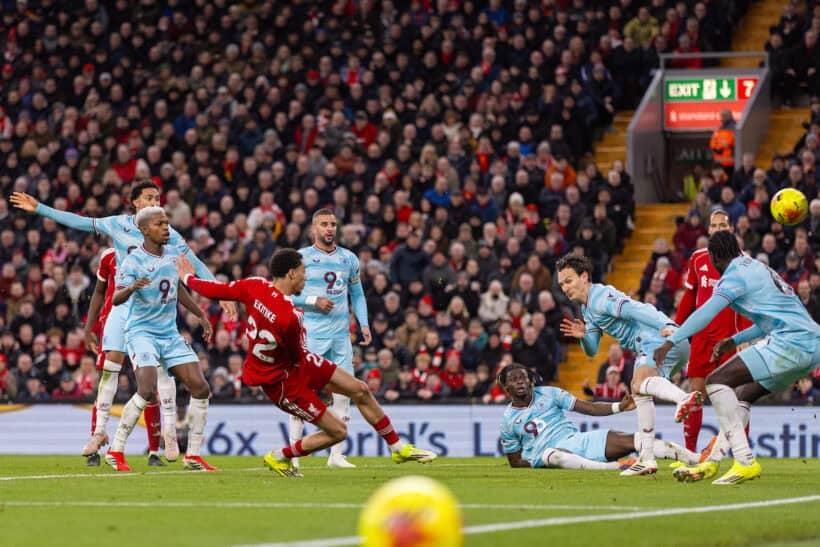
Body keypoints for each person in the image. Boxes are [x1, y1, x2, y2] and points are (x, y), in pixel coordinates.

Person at [10, 184, 236, 461]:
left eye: (157, 198)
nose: (155, 201)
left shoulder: (170, 234)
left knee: (163, 371)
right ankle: (100, 431)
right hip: (124, 306)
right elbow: (78, 221)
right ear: (135, 203)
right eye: (149, 197)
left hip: (155, 311)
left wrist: (221, 292)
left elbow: (196, 264)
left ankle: (168, 433)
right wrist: (40, 209)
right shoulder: (117, 224)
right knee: (111, 365)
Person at [177, 249, 437, 477]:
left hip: (295, 361)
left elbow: (214, 289)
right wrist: (321, 390)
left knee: (360, 389)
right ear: (291, 274)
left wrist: (187, 277)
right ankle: (280, 455)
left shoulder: (254, 285)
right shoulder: (289, 317)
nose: (306, 277)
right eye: (303, 272)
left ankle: (397, 448)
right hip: (281, 379)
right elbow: (296, 358)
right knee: (338, 431)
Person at [654, 231, 820, 484]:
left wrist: (671, 341)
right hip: (811, 343)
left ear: (714, 257)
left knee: (716, 380)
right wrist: (735, 340)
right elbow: (768, 321)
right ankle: (714, 460)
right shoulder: (757, 267)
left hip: (790, 342)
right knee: (745, 395)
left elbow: (705, 313)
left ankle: (744, 461)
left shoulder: (733, 276)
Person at [556, 255, 701, 476]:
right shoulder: (587, 310)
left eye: (568, 281)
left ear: (584, 276)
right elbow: (592, 350)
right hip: (668, 343)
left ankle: (683, 398)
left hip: (657, 336)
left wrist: (665, 326)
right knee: (639, 391)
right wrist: (583, 336)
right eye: (561, 284)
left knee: (639, 382)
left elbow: (635, 309)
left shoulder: (601, 296)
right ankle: (648, 457)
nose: (565, 288)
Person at [106, 207, 216, 472]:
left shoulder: (172, 257)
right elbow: (116, 298)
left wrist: (200, 314)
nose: (166, 228)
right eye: (159, 224)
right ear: (145, 229)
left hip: (169, 333)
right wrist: (132, 287)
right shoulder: (133, 262)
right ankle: (116, 450)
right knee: (146, 389)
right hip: (142, 332)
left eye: (167, 223)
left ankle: (193, 455)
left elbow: (177, 289)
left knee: (200, 388)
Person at [288, 209, 372, 469]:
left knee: (345, 392)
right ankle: (294, 455)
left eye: (333, 224)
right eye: (324, 224)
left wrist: (364, 322)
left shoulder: (349, 259)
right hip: (312, 335)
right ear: (314, 229)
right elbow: (287, 294)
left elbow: (356, 294)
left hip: (340, 337)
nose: (329, 229)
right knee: (301, 392)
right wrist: (313, 301)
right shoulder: (301, 258)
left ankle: (336, 456)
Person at [499, 364, 699, 470]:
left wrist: (619, 407)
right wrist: (536, 463)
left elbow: (589, 408)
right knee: (554, 455)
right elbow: (515, 461)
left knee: (634, 439)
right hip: (547, 455)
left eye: (523, 377)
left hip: (575, 441)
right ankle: (614, 468)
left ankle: (696, 459)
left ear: (530, 380)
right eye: (514, 379)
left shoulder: (550, 393)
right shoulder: (508, 420)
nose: (520, 382)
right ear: (506, 387)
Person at [674, 210, 750, 452]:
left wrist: (744, 338)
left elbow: (749, 304)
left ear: (731, 230)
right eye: (714, 225)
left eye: (723, 226)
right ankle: (690, 453)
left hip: (730, 339)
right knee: (695, 395)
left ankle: (740, 454)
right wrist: (675, 328)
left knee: (735, 399)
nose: (718, 229)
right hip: (702, 339)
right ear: (708, 230)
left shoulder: (744, 262)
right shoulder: (697, 259)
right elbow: (689, 296)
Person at [82, 248, 162, 467]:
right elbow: (99, 292)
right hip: (113, 325)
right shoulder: (110, 255)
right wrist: (90, 326)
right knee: (106, 382)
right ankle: (95, 445)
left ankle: (154, 451)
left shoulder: (156, 254)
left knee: (150, 386)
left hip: (143, 325)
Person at [709, 110, 736, 178]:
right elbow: (713, 141)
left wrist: (719, 146)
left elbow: (729, 142)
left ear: (730, 116)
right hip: (719, 162)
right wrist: (716, 147)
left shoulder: (734, 128)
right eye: (722, 116)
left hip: (730, 163)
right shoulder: (719, 129)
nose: (722, 118)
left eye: (724, 115)